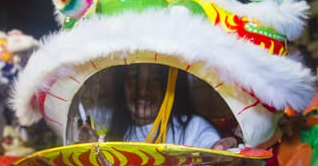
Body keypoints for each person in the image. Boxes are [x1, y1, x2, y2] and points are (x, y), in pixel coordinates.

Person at [79, 63, 238, 150]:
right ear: (121, 86)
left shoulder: (194, 128)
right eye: (134, 78)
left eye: (156, 80)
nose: (142, 90)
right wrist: (94, 153)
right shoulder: (113, 137)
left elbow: (212, 154)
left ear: (171, 86)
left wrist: (217, 154)